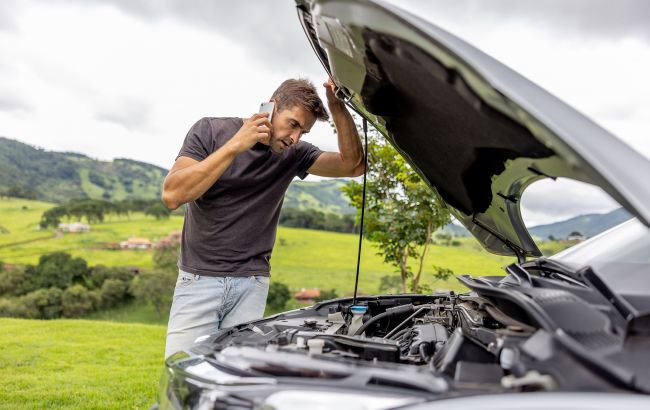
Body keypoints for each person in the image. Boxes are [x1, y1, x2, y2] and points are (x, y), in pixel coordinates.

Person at [161, 78, 364, 358]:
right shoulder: (210, 130)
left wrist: (337, 106)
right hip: (198, 280)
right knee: (181, 369)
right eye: (293, 124)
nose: (295, 138)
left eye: (303, 132)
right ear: (271, 106)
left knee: (236, 379)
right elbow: (173, 195)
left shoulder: (293, 154)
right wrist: (236, 145)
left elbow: (353, 166)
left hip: (252, 284)